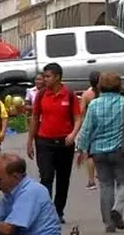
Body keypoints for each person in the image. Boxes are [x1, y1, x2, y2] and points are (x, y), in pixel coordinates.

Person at [76, 73, 124, 232]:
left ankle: (109, 222)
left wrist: (81, 149)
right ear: (119, 86)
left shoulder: (94, 105)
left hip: (98, 151)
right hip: (121, 150)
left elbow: (87, 129)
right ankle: (117, 209)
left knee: (106, 185)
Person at [26, 63, 82, 223]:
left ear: (57, 77)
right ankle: (46, 211)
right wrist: (30, 141)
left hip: (64, 142)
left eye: (48, 76)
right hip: (44, 141)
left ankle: (59, 211)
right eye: (44, 76)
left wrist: (73, 134)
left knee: (63, 179)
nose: (44, 79)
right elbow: (35, 118)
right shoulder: (41, 95)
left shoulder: (69, 95)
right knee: (46, 176)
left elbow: (78, 118)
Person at [80, 71, 100, 190]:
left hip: (91, 126)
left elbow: (81, 111)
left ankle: (91, 180)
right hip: (103, 125)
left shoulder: (87, 95)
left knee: (90, 155)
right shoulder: (105, 94)